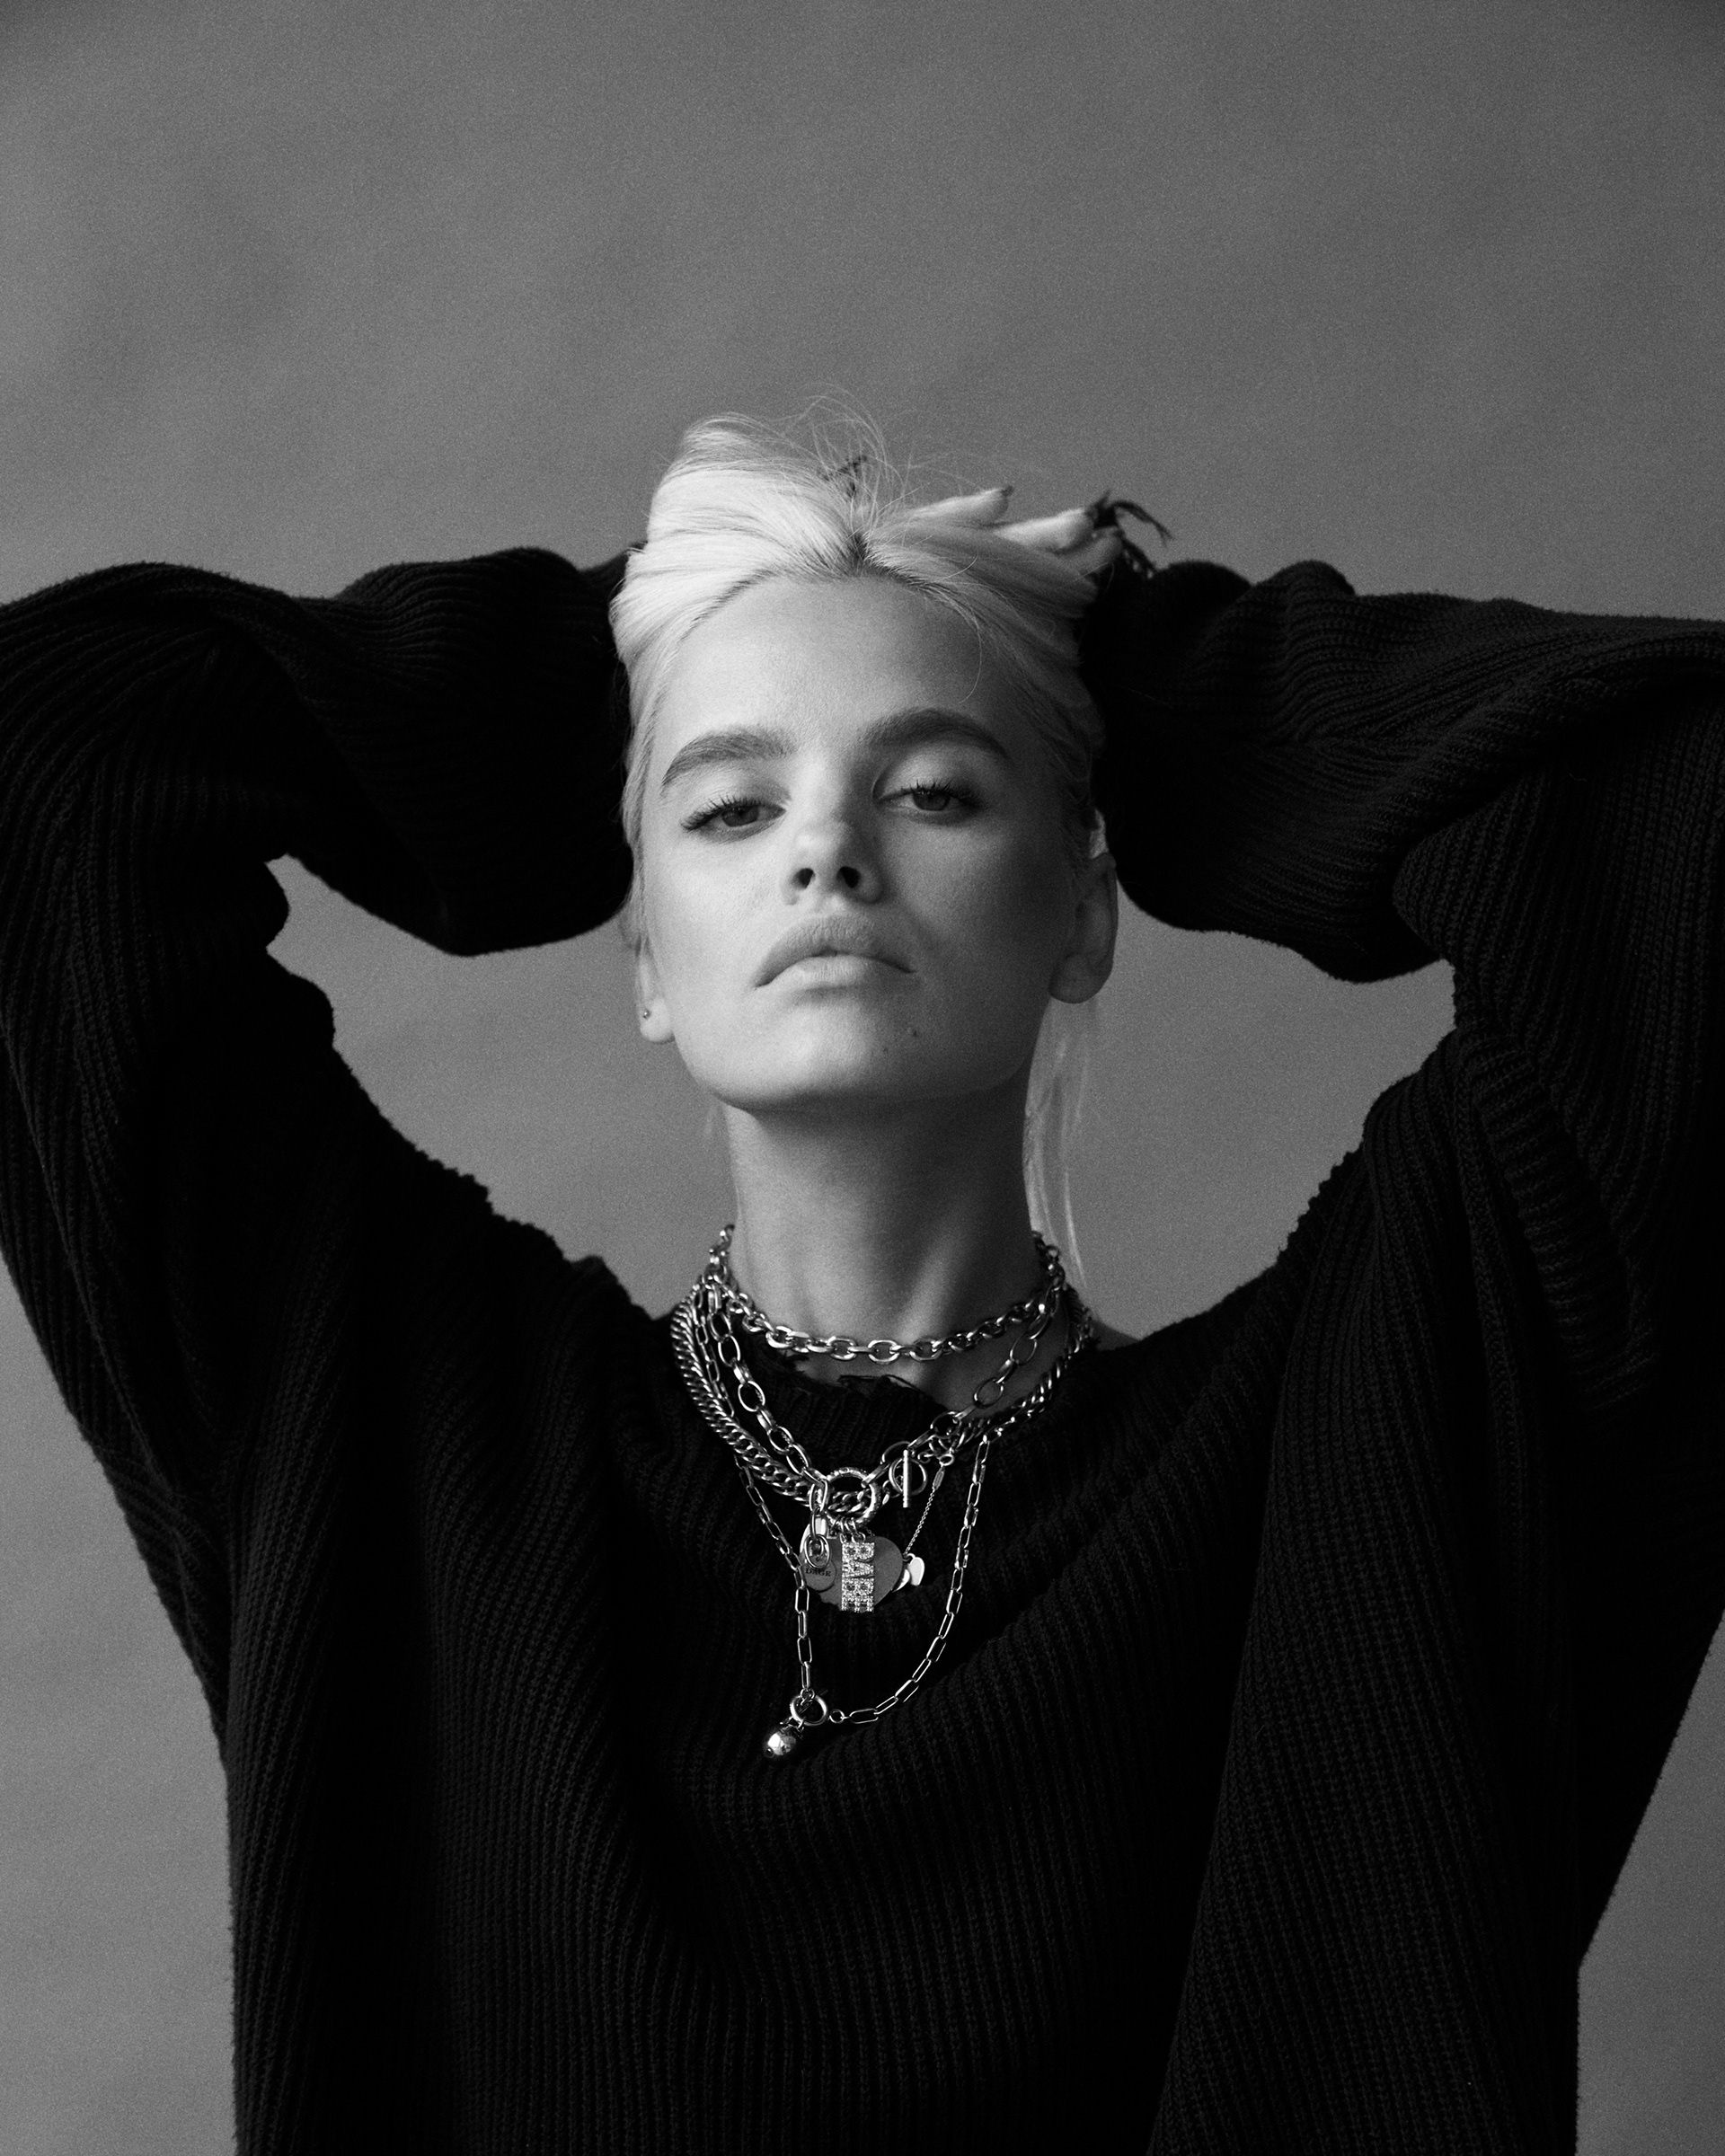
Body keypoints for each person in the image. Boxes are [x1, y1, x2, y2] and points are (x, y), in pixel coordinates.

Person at [2, 413, 1722, 2155]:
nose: (827, 849)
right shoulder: (399, 1422)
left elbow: (1686, 805)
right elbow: (41, 757)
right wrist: (664, 620)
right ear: (644, 946)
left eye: (934, 790)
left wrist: (1146, 667)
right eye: (731, 805)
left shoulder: (1368, 1451)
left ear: (1084, 911)